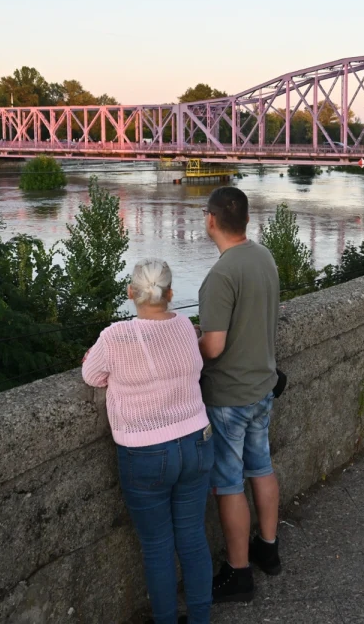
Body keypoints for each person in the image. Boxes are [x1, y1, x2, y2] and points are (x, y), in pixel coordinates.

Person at [82, 260, 213, 624]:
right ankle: (201, 619)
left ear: (131, 293)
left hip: (146, 452)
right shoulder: (186, 327)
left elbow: (91, 376)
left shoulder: (115, 337)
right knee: (192, 537)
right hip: (198, 442)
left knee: (157, 547)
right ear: (170, 294)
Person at [197, 187, 282, 603]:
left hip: (229, 395)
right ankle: (268, 549)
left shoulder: (221, 275)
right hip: (263, 386)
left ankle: (238, 572)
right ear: (245, 220)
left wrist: (184, 346)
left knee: (229, 483)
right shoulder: (264, 257)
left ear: (211, 220)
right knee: (261, 467)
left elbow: (212, 346)